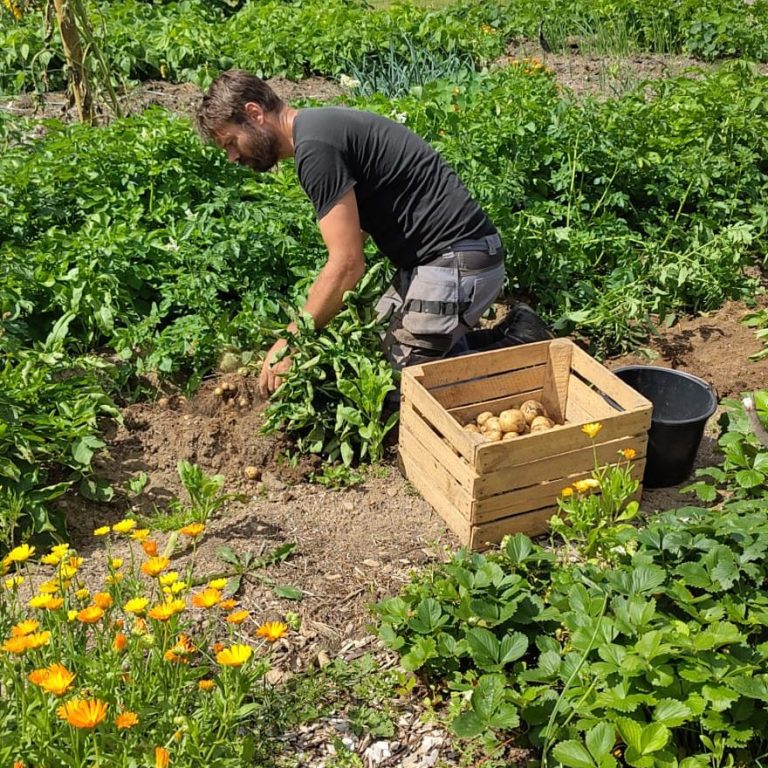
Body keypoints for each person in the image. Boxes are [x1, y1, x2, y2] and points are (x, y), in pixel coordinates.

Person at [195, 70, 552, 399]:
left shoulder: (316, 148)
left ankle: (524, 360)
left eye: (231, 142)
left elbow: (348, 264)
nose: (231, 157)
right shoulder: (319, 131)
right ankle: (514, 335)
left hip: (459, 260)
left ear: (255, 113)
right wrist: (326, 300)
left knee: (402, 386)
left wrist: (292, 340)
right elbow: (355, 238)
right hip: (444, 259)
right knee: (379, 353)